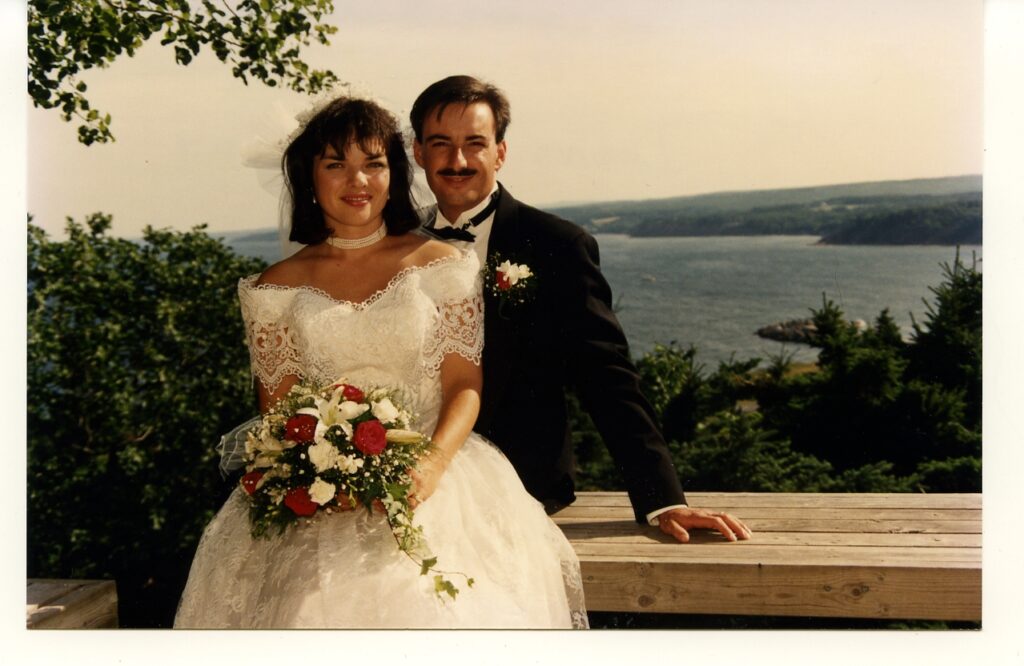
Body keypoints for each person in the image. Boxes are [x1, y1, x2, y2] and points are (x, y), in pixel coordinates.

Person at [174, 96, 587, 628]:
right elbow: (279, 409)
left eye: (373, 162)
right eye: (336, 164)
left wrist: (432, 465)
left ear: (394, 172)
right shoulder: (273, 289)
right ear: (309, 177)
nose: (358, 180)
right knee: (309, 606)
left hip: (435, 476)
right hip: (321, 488)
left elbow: (464, 383)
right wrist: (318, 469)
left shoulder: (444, 265)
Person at [411, 75, 751, 543]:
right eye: (441, 144)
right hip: (402, 469)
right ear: (418, 153)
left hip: (517, 484)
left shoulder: (557, 245)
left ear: (500, 153)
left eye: (475, 143)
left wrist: (662, 498)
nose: (458, 161)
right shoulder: (394, 245)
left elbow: (606, 375)